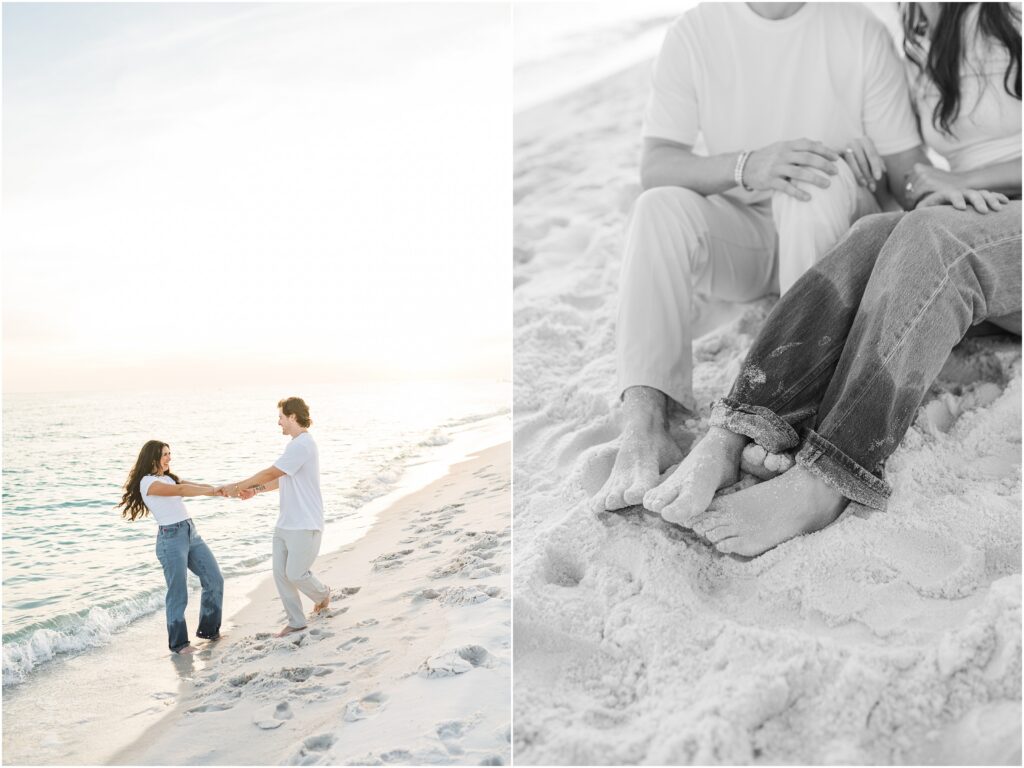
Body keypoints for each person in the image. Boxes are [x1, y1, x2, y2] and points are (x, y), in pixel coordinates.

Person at [643, 2, 1021, 556]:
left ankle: (827, 480)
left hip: (986, 214)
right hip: (986, 221)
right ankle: (742, 425)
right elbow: (911, 175)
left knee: (934, 236)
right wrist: (878, 165)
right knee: (872, 234)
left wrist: (963, 178)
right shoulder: (919, 22)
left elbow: (947, 179)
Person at [595, 2, 927, 513]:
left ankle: (787, 407)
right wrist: (749, 165)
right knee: (657, 207)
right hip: (746, 238)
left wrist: (874, 169)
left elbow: (907, 180)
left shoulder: (858, 30)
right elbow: (657, 165)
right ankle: (646, 423)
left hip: (833, 239)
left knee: (811, 181)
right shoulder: (696, 31)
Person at [217, 397, 331, 637]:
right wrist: (255, 490)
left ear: (292, 416)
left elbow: (271, 471)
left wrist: (236, 485)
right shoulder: (294, 446)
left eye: (281, 417)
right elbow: (281, 479)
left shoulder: (303, 444)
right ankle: (297, 621)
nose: (278, 422)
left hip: (305, 523)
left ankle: (322, 594)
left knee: (296, 573)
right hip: (285, 523)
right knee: (281, 575)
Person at [118, 441, 224, 655]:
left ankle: (210, 631)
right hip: (170, 538)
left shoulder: (169, 477)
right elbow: (182, 490)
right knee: (178, 592)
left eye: (169, 453)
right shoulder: (147, 483)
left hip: (190, 532)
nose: (169, 458)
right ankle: (179, 644)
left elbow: (194, 485)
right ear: (153, 457)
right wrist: (213, 491)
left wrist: (221, 489)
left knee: (214, 579)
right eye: (165, 454)